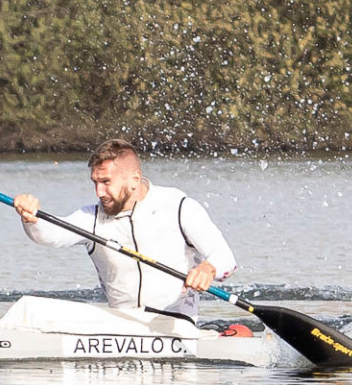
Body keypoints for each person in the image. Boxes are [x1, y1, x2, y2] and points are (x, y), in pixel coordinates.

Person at [13, 138, 237, 322]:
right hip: (119, 324)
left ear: (134, 180)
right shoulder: (91, 218)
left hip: (175, 325)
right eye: (95, 182)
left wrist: (208, 269)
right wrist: (31, 217)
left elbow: (226, 258)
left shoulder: (178, 206)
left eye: (106, 182)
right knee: (30, 309)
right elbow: (49, 235)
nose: (99, 192)